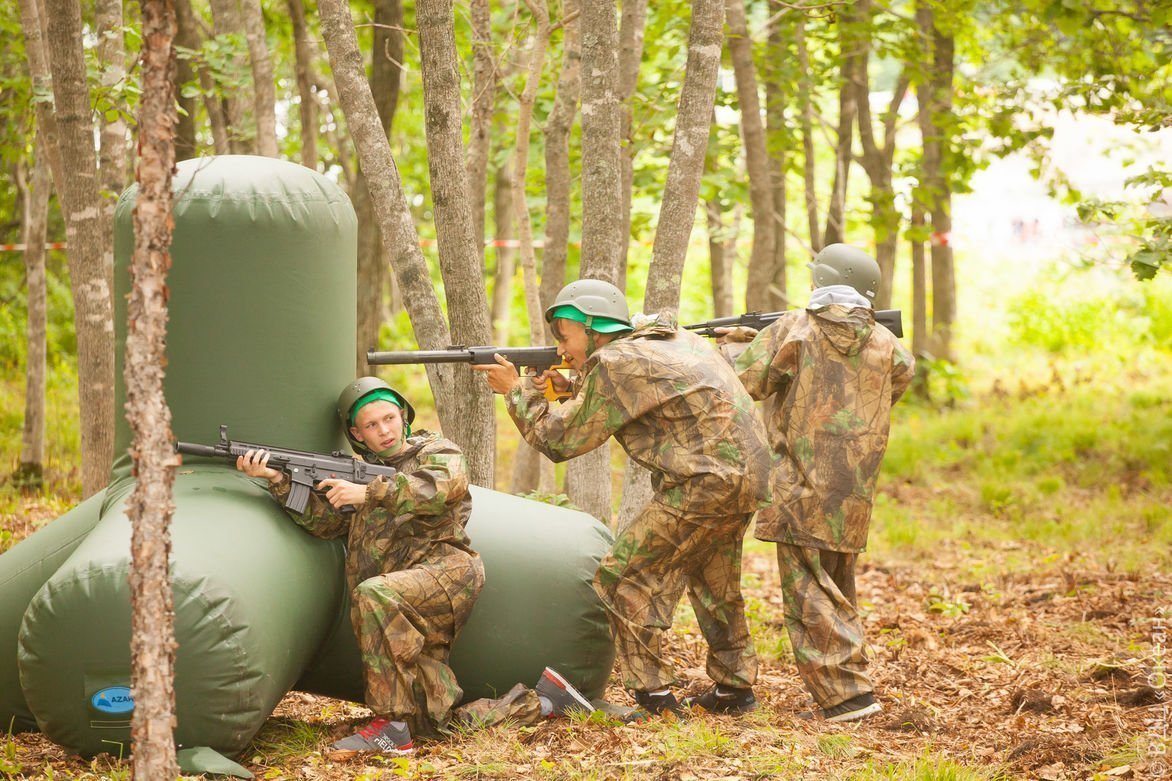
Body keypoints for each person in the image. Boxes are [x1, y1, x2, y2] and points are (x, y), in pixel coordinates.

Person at [236, 377, 593, 757]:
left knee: (374, 593)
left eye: (389, 418)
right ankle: (547, 702)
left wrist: (368, 492)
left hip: (447, 574)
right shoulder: (359, 474)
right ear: (357, 433)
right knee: (432, 723)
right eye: (371, 426)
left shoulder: (436, 451)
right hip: (403, 600)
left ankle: (389, 727)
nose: (384, 430)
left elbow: (440, 488)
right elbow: (325, 524)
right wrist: (276, 478)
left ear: (403, 416)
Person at [473, 279, 773, 718]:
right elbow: (646, 395)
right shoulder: (670, 339)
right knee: (714, 580)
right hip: (747, 476)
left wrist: (517, 391)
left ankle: (655, 699)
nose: (560, 349)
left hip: (704, 482)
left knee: (622, 578)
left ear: (592, 327)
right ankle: (735, 690)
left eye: (564, 336)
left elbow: (560, 440)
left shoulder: (616, 363)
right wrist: (570, 389)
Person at [718, 243, 915, 722]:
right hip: (853, 488)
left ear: (822, 279)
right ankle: (852, 683)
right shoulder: (888, 344)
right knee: (836, 586)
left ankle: (848, 696)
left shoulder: (796, 327)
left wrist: (731, 346)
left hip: (800, 485)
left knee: (809, 592)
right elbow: (899, 381)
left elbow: (745, 380)